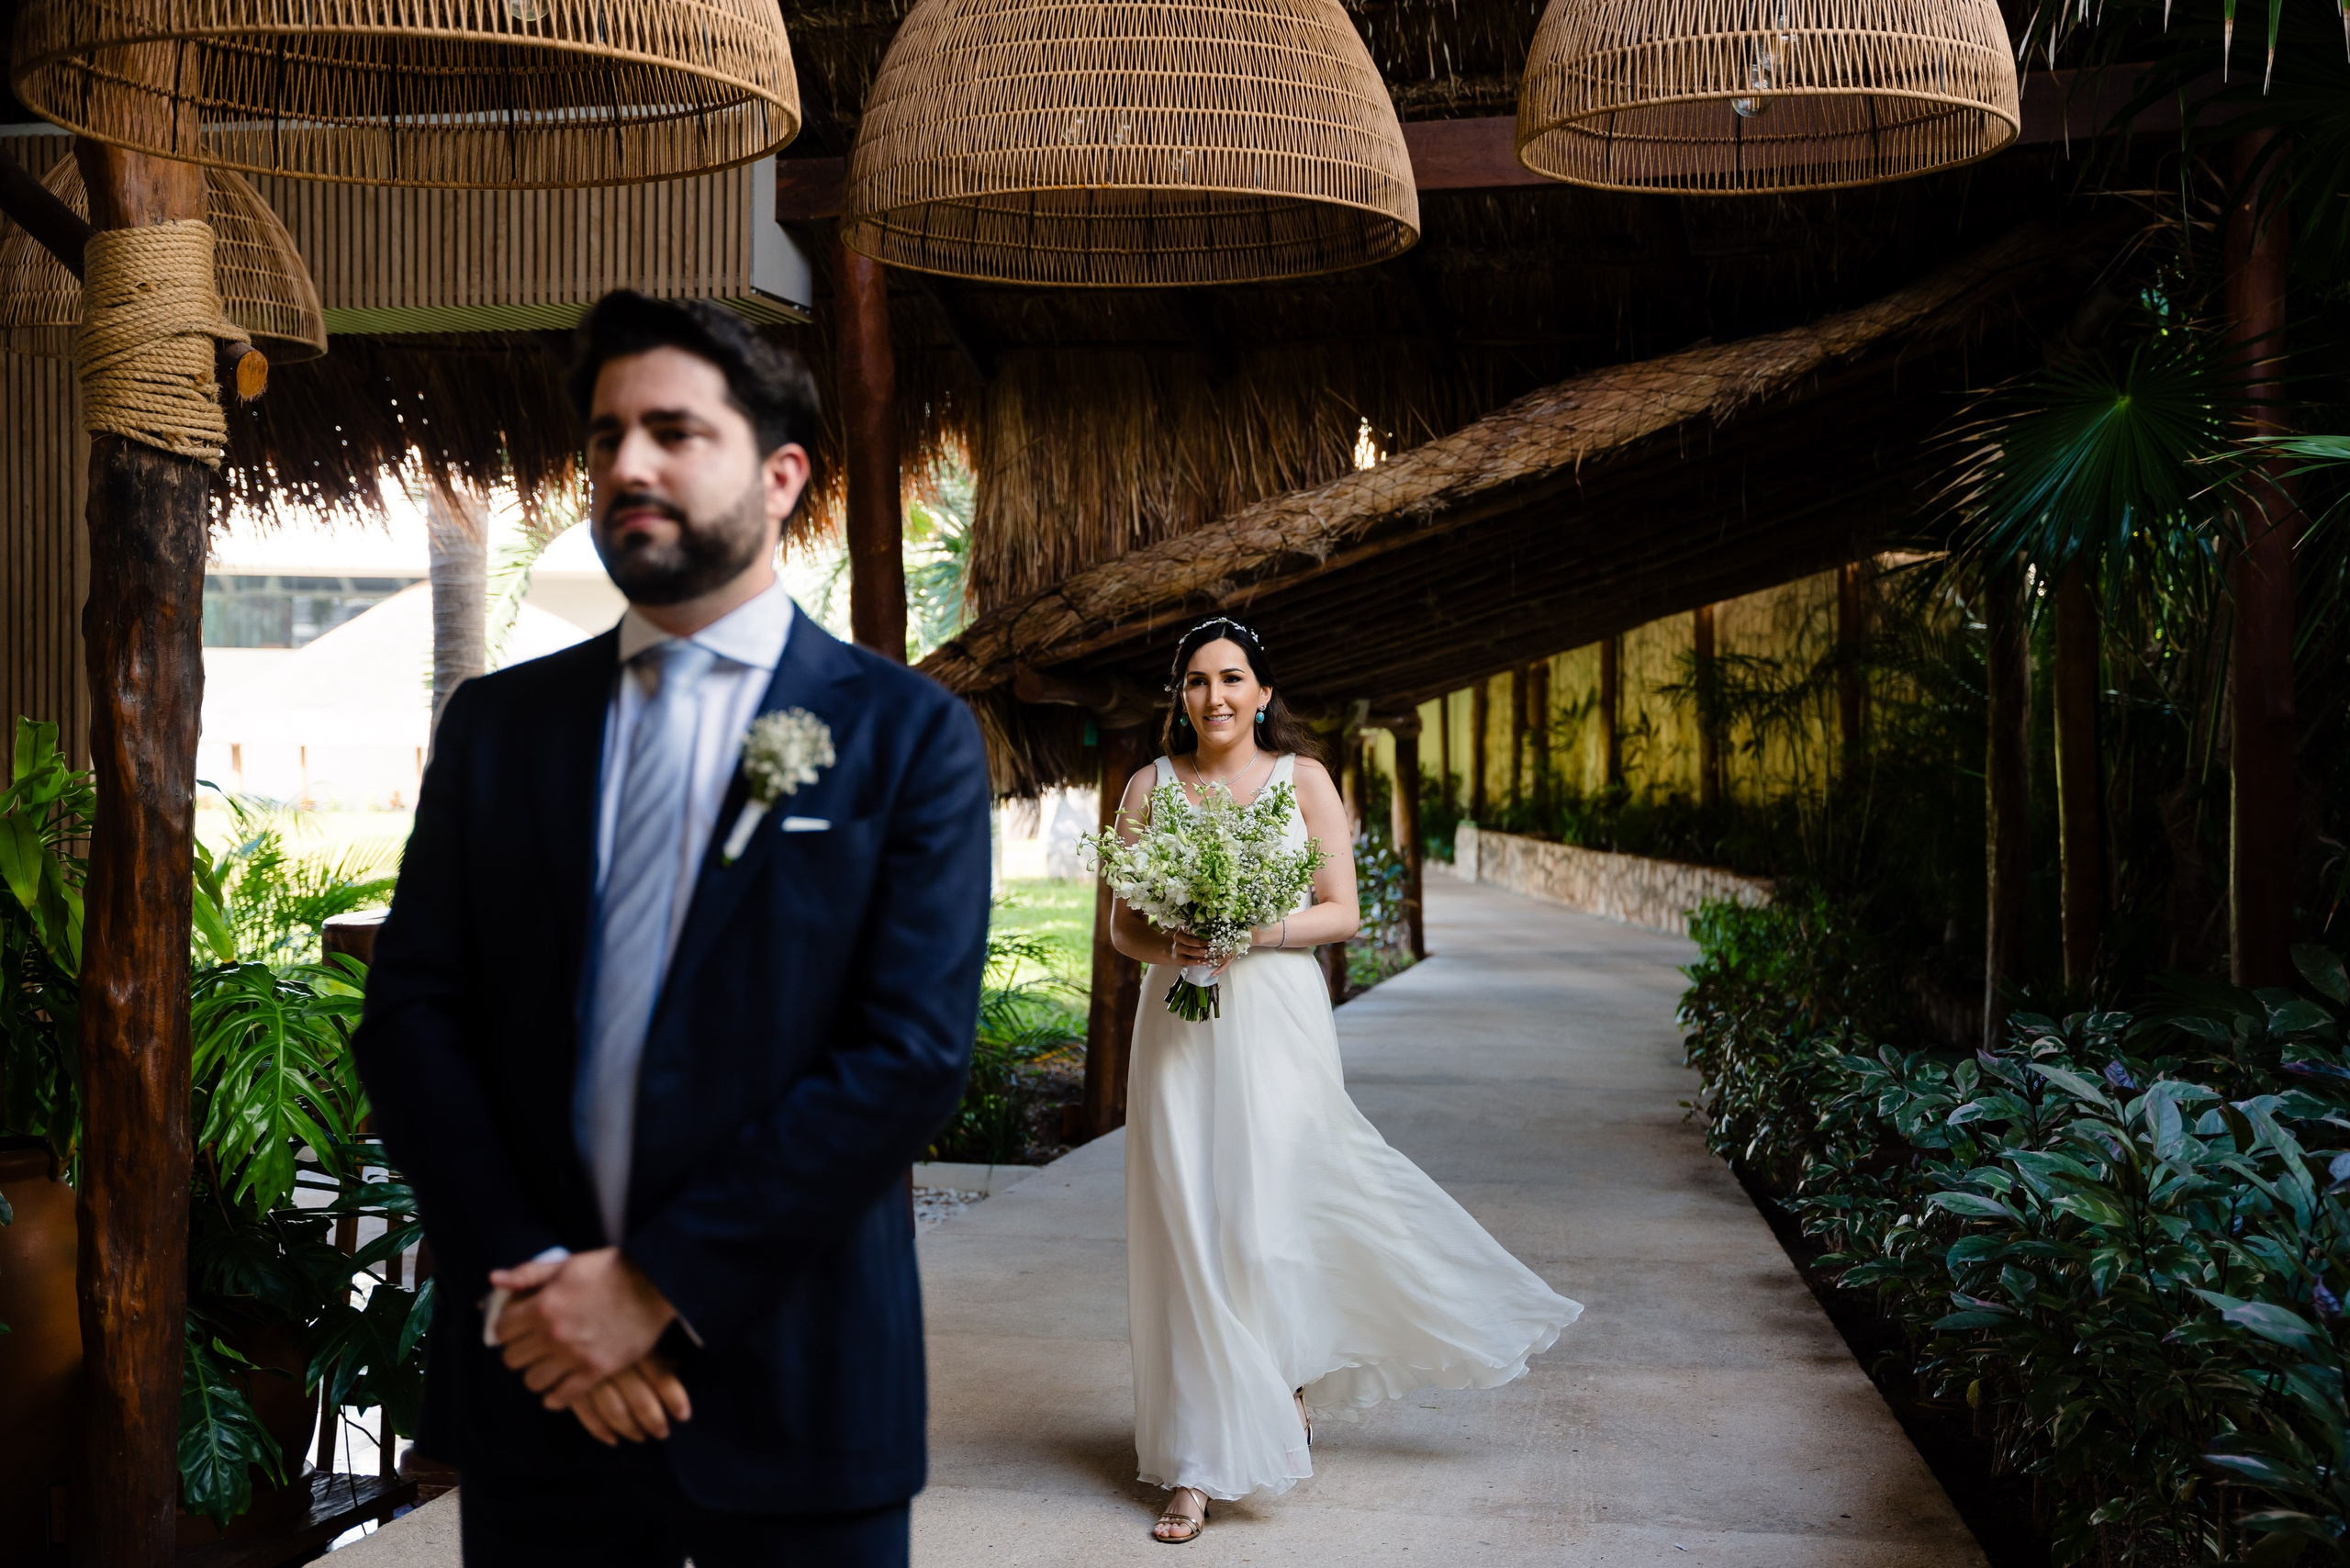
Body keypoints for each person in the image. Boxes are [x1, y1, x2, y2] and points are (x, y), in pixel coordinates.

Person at [352, 290, 993, 1567]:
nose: (626, 465)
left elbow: (908, 1053)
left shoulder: (903, 734)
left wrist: (651, 1288)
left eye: (673, 431)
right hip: (539, 1384)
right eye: (604, 438)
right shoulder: (501, 727)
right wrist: (544, 1286)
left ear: (781, 473)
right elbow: (416, 1016)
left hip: (798, 1386)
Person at [1110, 617, 1581, 1544]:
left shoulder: (1303, 781)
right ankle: (1197, 1465)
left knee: (1265, 1218)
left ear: (1264, 691)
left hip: (1277, 1016)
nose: (1215, 698)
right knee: (1186, 1222)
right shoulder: (1146, 789)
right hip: (1176, 1022)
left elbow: (1341, 913)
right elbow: (1122, 924)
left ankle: (1281, 1380)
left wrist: (1253, 933)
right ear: (1179, 694)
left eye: (1232, 678)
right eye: (1197, 681)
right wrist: (1175, 941)